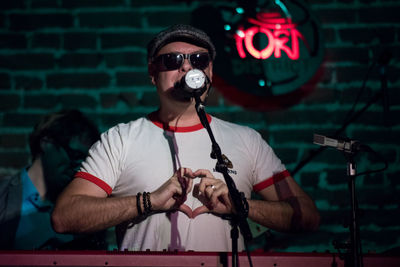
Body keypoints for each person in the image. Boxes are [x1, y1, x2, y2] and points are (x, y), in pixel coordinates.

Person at [51, 24, 320, 252]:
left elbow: (307, 216)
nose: (187, 67)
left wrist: (242, 206)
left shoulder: (247, 140)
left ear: (210, 73)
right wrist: (148, 201)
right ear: (153, 74)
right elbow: (65, 217)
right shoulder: (121, 139)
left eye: (199, 60)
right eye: (173, 61)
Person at [0, 109, 106, 250]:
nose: (79, 168)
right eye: (74, 155)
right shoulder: (3, 196)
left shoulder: (83, 209)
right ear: (46, 143)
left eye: (85, 161)